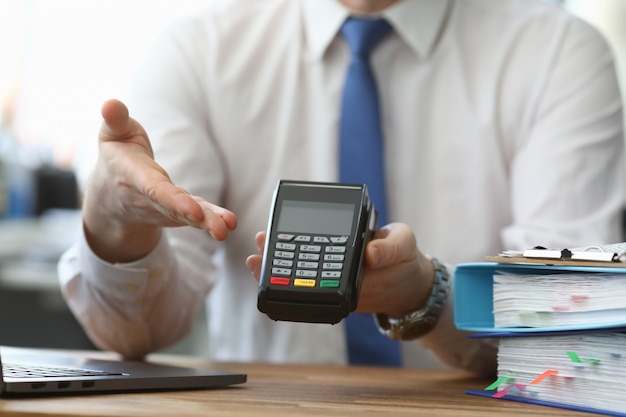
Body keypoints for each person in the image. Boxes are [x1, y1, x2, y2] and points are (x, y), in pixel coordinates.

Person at [58, 0, 624, 375]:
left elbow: (568, 324)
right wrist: (115, 224)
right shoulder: (197, 50)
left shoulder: (559, 51)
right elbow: (135, 335)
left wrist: (431, 299)